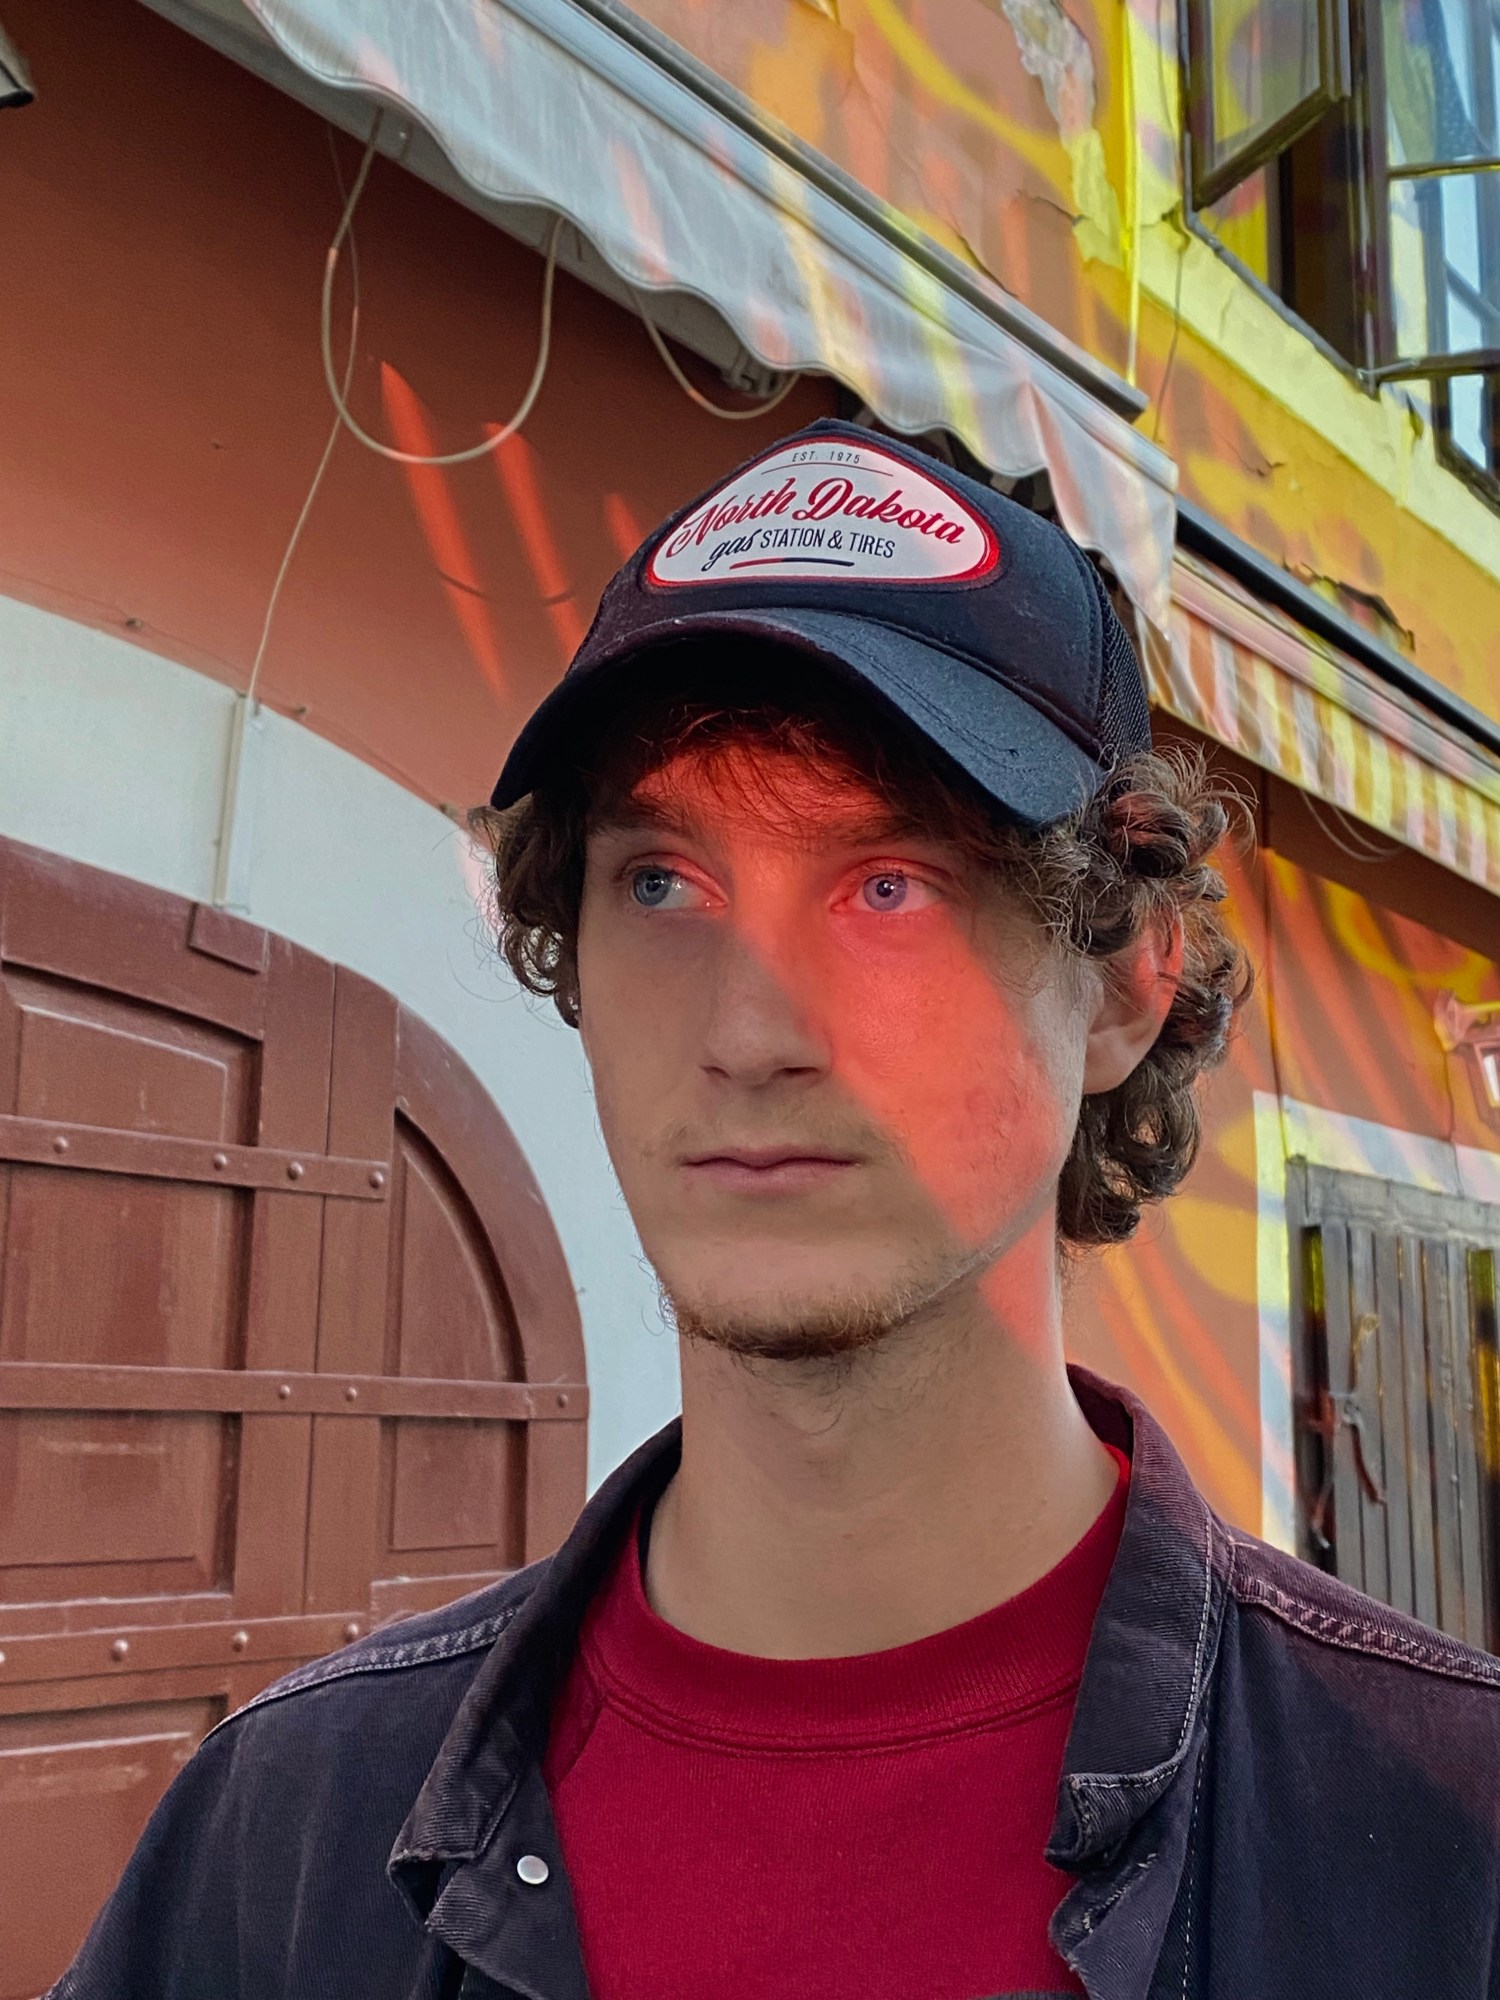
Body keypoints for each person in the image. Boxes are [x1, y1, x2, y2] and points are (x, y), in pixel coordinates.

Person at [51, 419, 1500, 2000]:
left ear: (1125, 991)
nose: (751, 1033)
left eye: (890, 885)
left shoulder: (1445, 1842)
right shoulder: (275, 1843)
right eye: (663, 883)